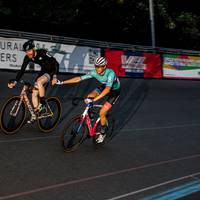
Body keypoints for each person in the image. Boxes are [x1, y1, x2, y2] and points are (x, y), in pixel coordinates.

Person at [53, 57, 120, 143]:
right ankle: (90, 115)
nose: (98, 69)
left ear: (105, 66)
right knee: (89, 96)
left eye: (100, 66)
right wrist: (61, 82)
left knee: (102, 112)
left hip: (114, 92)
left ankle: (103, 132)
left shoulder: (110, 73)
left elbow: (107, 90)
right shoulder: (94, 72)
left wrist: (95, 99)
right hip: (104, 86)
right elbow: (79, 79)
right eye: (96, 66)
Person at [8, 39, 59, 123]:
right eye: (26, 52)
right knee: (34, 93)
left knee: (39, 82)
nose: (28, 53)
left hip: (52, 71)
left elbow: (56, 63)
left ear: (33, 49)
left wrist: (55, 76)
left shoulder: (42, 52)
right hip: (43, 71)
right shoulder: (27, 57)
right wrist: (15, 81)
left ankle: (42, 102)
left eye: (29, 51)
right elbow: (22, 70)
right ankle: (36, 113)